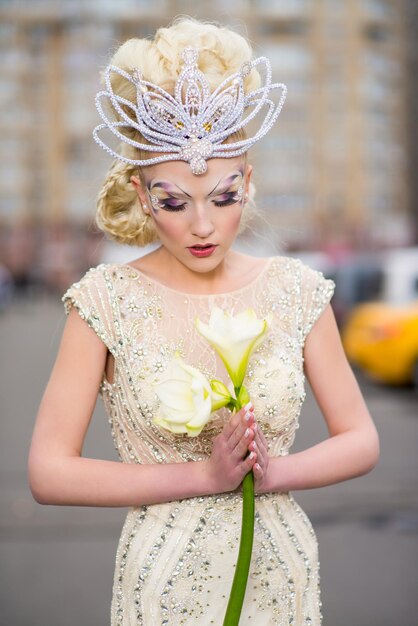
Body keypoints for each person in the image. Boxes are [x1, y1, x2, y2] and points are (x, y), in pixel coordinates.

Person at [28, 16, 380, 625]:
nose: (201, 225)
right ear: (142, 196)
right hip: (165, 583)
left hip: (281, 570)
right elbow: (49, 472)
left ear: (247, 183)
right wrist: (203, 474)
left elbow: (362, 439)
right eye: (173, 202)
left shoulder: (295, 290)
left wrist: (270, 474)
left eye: (222, 197)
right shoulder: (105, 299)